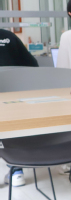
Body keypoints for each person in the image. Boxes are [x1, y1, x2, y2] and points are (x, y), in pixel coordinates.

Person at [0, 28, 39, 186]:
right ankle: (16, 170)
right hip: (12, 99)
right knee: (12, 130)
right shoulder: (8, 36)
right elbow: (32, 65)